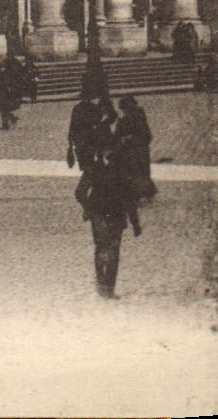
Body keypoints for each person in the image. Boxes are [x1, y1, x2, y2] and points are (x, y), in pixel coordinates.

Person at [78, 134, 141, 299]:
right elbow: (79, 192)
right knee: (107, 250)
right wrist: (89, 207)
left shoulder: (97, 169)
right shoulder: (120, 170)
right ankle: (104, 285)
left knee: (108, 250)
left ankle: (106, 286)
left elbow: (129, 197)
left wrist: (135, 223)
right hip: (107, 214)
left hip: (109, 215)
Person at [114, 95, 155, 202]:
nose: (124, 111)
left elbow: (144, 134)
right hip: (136, 148)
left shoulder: (133, 118)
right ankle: (144, 191)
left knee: (137, 171)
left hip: (136, 149)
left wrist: (129, 138)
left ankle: (141, 192)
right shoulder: (135, 117)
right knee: (140, 171)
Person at [67, 91, 116, 174]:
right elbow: (100, 119)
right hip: (89, 138)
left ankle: (90, 175)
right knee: (88, 160)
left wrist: (71, 142)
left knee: (86, 162)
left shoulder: (77, 108)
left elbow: (72, 125)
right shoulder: (92, 108)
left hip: (82, 139)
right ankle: (91, 174)